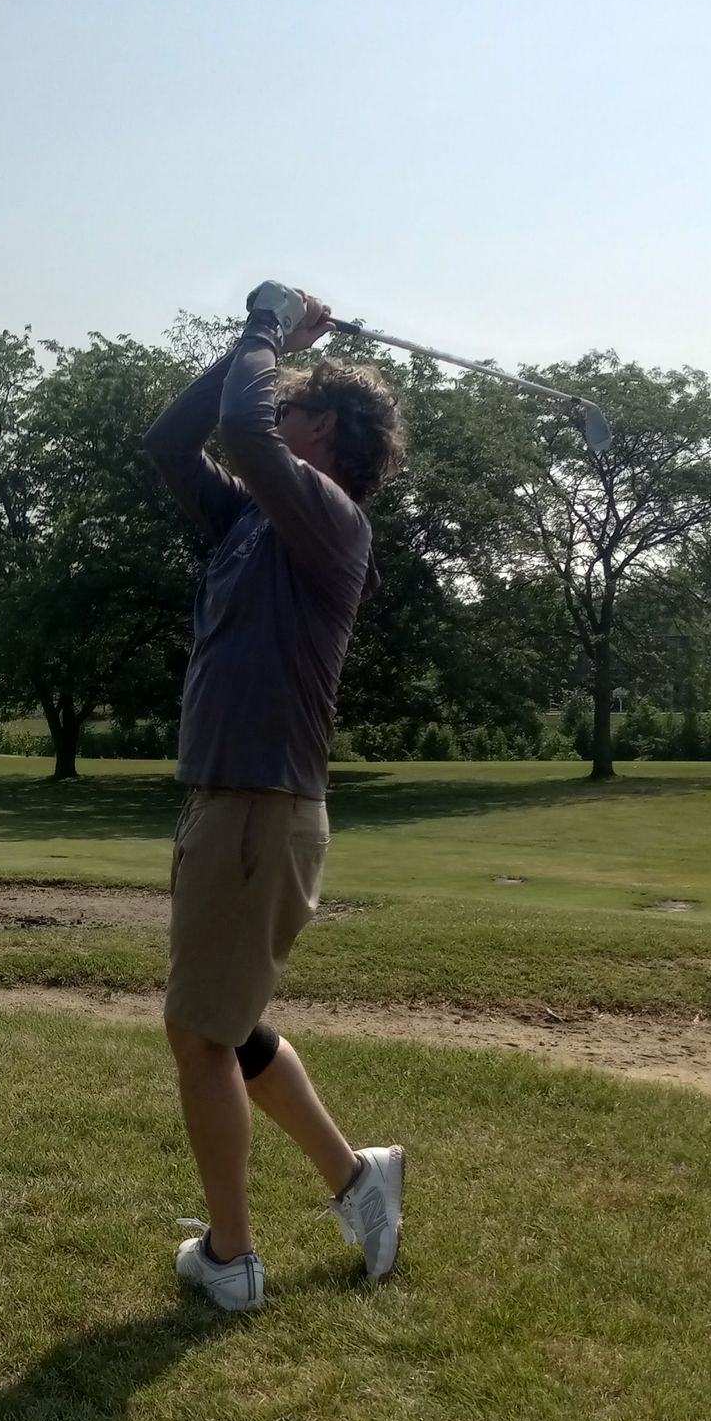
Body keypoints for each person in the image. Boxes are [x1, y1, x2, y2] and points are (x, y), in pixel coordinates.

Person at [143, 281, 408, 1311]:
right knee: (226, 1025)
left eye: (295, 398)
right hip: (234, 802)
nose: (273, 403)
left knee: (201, 1035)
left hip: (258, 807)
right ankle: (357, 1178)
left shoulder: (327, 521)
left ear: (327, 436)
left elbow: (242, 426)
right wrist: (251, 344)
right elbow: (175, 439)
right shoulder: (252, 520)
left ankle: (232, 1258)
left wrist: (267, 327)